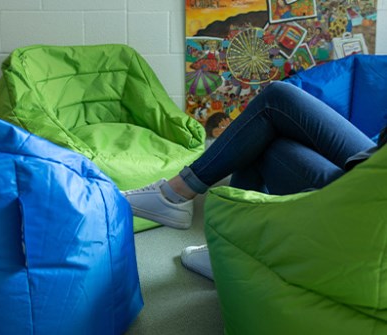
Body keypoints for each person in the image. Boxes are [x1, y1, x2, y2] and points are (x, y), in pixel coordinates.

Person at [123, 81, 381, 280]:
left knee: (263, 133)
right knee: (278, 101)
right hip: (376, 165)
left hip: (370, 199)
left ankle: (213, 235)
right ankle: (211, 231)